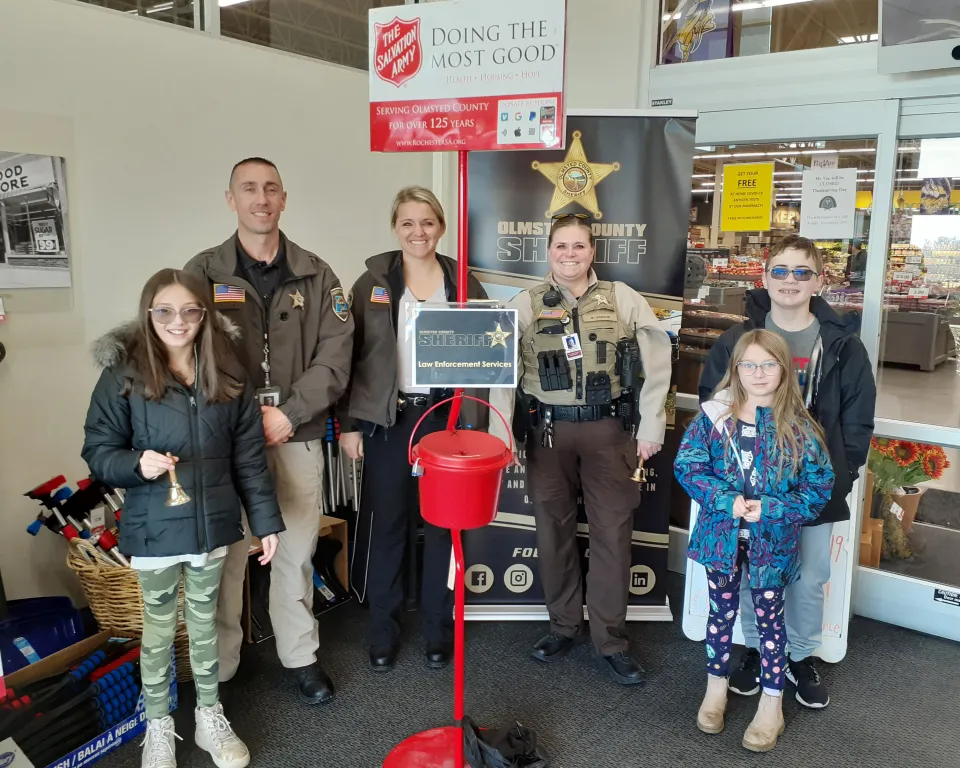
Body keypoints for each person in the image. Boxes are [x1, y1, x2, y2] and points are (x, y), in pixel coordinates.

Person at [81, 269, 285, 768]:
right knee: (156, 635)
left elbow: (249, 457)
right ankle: (158, 726)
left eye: (190, 310)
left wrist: (266, 521)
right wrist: (136, 464)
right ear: (148, 314)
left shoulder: (229, 372)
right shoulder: (123, 375)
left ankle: (209, 720)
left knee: (207, 627)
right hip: (153, 531)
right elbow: (98, 450)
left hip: (212, 525)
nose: (179, 321)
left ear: (205, 314)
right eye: (165, 311)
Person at [184, 158, 354, 705]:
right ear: (230, 198)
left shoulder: (317, 273)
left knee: (296, 548)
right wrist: (239, 417)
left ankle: (300, 655)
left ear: (284, 198)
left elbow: (336, 355)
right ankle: (222, 667)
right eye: (249, 189)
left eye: (271, 189)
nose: (262, 198)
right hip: (224, 439)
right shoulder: (202, 272)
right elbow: (183, 348)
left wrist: (288, 412)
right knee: (226, 555)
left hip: (295, 432)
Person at [488, 214, 673, 686]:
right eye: (561, 247)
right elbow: (501, 371)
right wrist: (501, 433)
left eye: (579, 246)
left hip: (610, 433)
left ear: (593, 252)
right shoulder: (525, 304)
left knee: (613, 535)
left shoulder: (622, 298)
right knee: (553, 530)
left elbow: (657, 364)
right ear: (548, 251)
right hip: (547, 435)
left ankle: (610, 640)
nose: (570, 255)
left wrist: (652, 426)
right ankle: (563, 626)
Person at [698, 234, 875, 709]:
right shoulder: (737, 340)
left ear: (819, 280)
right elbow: (711, 406)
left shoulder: (842, 346)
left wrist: (841, 473)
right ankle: (757, 648)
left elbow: (859, 419)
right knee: (758, 571)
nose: (790, 281)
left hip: (811, 490)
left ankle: (798, 654)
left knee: (811, 574)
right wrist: (729, 481)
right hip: (749, 488)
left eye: (802, 272)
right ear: (764, 278)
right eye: (780, 271)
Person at [340, 186, 488, 672]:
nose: (417, 232)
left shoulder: (462, 282)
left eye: (426, 222)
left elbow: (487, 354)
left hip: (446, 422)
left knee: (445, 530)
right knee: (388, 527)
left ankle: (437, 630)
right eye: (407, 222)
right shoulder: (371, 284)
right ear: (394, 227)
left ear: (440, 227)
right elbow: (350, 358)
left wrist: (476, 424)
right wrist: (352, 425)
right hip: (390, 421)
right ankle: (382, 629)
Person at [676, 329, 834, 752]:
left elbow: (819, 487)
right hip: (720, 538)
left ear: (784, 370)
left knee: (770, 621)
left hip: (772, 543)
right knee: (720, 615)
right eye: (749, 364)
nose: (758, 373)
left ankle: (771, 703)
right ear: (736, 369)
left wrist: (774, 508)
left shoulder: (799, 428)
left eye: (768, 364)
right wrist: (726, 500)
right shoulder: (714, 418)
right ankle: (715, 689)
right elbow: (688, 467)